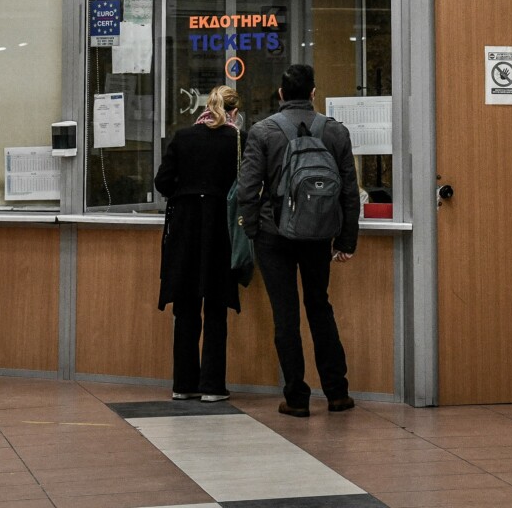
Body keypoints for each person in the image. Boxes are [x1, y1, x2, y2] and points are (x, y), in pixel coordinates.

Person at [234, 63, 361, 417]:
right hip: (319, 235)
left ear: (280, 94)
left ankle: (296, 397)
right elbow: (349, 191)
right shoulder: (335, 132)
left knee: (285, 315)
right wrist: (346, 240)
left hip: (274, 235)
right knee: (320, 307)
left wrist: (253, 228)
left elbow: (247, 188)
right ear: (313, 93)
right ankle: (337, 393)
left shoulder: (263, 132)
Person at [154, 85, 244, 402]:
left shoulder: (183, 137)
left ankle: (184, 384)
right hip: (220, 228)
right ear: (234, 112)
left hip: (186, 228)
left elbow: (161, 181)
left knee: (186, 305)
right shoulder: (236, 140)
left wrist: (187, 191)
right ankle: (212, 386)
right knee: (216, 307)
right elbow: (245, 186)